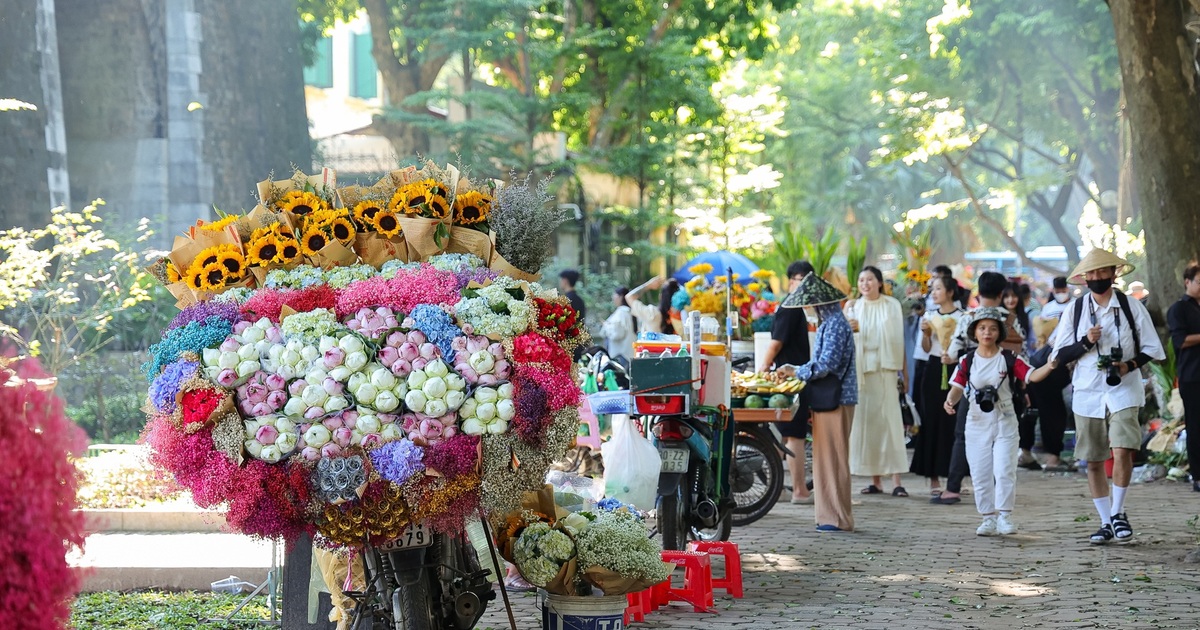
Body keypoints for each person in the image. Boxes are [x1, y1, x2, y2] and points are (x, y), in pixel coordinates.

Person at [1049, 249, 1164, 544]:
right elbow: (1059, 355)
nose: (1098, 278)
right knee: (1093, 458)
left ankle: (1118, 512)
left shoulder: (1130, 307)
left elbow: (1152, 348)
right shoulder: (1074, 311)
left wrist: (1129, 365)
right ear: (1085, 277)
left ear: (1114, 274)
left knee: (1124, 449)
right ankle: (1104, 521)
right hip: (1087, 390)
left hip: (1124, 387)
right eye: (1093, 273)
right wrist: (1086, 342)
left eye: (1103, 272)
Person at [942, 307, 1058, 536]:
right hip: (976, 420)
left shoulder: (1009, 358)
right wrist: (949, 402)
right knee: (980, 471)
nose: (987, 333)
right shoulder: (966, 361)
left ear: (1000, 332)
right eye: (982, 328)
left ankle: (1005, 515)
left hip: (1005, 419)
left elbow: (1031, 375)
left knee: (1005, 469)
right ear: (974, 332)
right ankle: (987, 517)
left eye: (993, 328)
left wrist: (1051, 365)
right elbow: (957, 386)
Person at [775, 274, 857, 532]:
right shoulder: (830, 323)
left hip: (836, 399)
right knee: (828, 459)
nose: (809, 309)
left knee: (832, 460)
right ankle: (832, 517)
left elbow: (826, 365)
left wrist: (796, 371)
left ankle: (835, 518)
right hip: (832, 399)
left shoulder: (833, 325)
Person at [932, 270, 1008, 506]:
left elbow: (953, 351)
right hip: (1003, 388)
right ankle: (997, 489)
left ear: (979, 291)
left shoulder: (969, 318)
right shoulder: (1010, 319)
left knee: (963, 436)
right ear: (1001, 293)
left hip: (972, 387)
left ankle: (953, 488)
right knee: (1001, 438)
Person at [844, 266, 910, 497]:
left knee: (890, 423)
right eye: (861, 280)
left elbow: (898, 342)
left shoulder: (892, 306)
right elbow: (844, 341)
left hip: (885, 370)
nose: (865, 284)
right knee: (868, 425)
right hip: (862, 371)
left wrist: (905, 374)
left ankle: (897, 479)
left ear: (879, 282)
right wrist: (849, 329)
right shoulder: (852, 307)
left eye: (870, 279)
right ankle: (875, 480)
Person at [759, 261, 815, 504]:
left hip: (792, 378)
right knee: (795, 436)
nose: (805, 286)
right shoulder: (790, 307)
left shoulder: (794, 308)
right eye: (802, 280)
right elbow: (776, 342)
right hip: (791, 380)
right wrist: (762, 368)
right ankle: (800, 490)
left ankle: (778, 488)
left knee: (785, 435)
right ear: (792, 281)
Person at [910, 275, 964, 495]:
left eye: (939, 288)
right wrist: (926, 334)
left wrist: (953, 357)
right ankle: (932, 477)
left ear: (950, 291)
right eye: (933, 289)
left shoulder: (963, 317)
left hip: (956, 368)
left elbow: (966, 345)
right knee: (931, 420)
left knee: (953, 422)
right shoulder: (929, 317)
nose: (934, 292)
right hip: (933, 368)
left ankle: (954, 475)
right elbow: (924, 348)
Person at [1167, 263, 1200, 493]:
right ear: (1187, 282)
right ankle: (1197, 475)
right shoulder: (1178, 309)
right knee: (1196, 426)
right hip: (1193, 375)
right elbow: (1180, 341)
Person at [600, 287, 637, 363]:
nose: (613, 297)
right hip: (629, 353)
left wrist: (606, 326)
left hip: (621, 355)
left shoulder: (621, 313)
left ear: (621, 297)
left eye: (615, 294)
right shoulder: (630, 311)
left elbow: (617, 334)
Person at [1000, 282, 1033, 356]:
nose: (1010, 300)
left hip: (1022, 359)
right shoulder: (999, 317)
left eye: (1014, 296)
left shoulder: (1025, 317)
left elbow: (1029, 340)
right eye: (1006, 296)